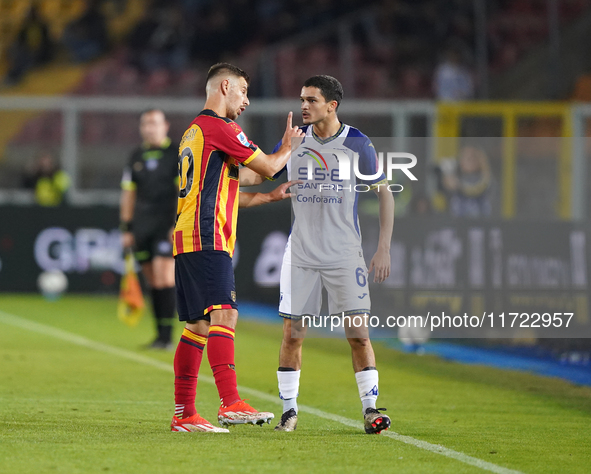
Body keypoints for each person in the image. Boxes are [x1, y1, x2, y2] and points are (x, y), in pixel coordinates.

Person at [171, 63, 304, 433]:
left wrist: (266, 196)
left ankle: (184, 415)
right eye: (243, 91)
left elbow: (237, 181)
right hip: (207, 235)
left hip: (188, 235)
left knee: (198, 325)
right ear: (225, 86)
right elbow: (269, 165)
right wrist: (286, 148)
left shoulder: (194, 132)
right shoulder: (221, 127)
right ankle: (231, 403)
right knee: (224, 314)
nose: (246, 101)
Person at [272, 75, 395, 434]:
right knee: (293, 334)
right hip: (302, 256)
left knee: (358, 335)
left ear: (332, 105)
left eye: (311, 100)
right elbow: (262, 171)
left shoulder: (357, 143)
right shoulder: (295, 141)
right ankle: (289, 413)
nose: (303, 106)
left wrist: (383, 247)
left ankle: (371, 410)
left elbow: (384, 193)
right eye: (301, 99)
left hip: (344, 255)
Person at [120, 109, 178, 350]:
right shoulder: (136, 155)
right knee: (153, 280)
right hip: (142, 225)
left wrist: (177, 223)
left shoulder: (175, 153)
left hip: (166, 224)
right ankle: (159, 335)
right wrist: (126, 227)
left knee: (164, 275)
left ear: (166, 125)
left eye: (154, 123)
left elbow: (182, 192)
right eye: (145, 123)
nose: (149, 128)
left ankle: (167, 336)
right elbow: (128, 193)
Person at [441, 145, 492, 217]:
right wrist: (448, 172)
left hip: (481, 223)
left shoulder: (485, 181)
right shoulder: (456, 178)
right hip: (458, 222)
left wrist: (483, 161)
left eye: (474, 157)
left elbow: (485, 184)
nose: (471, 160)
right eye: (467, 158)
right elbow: (449, 185)